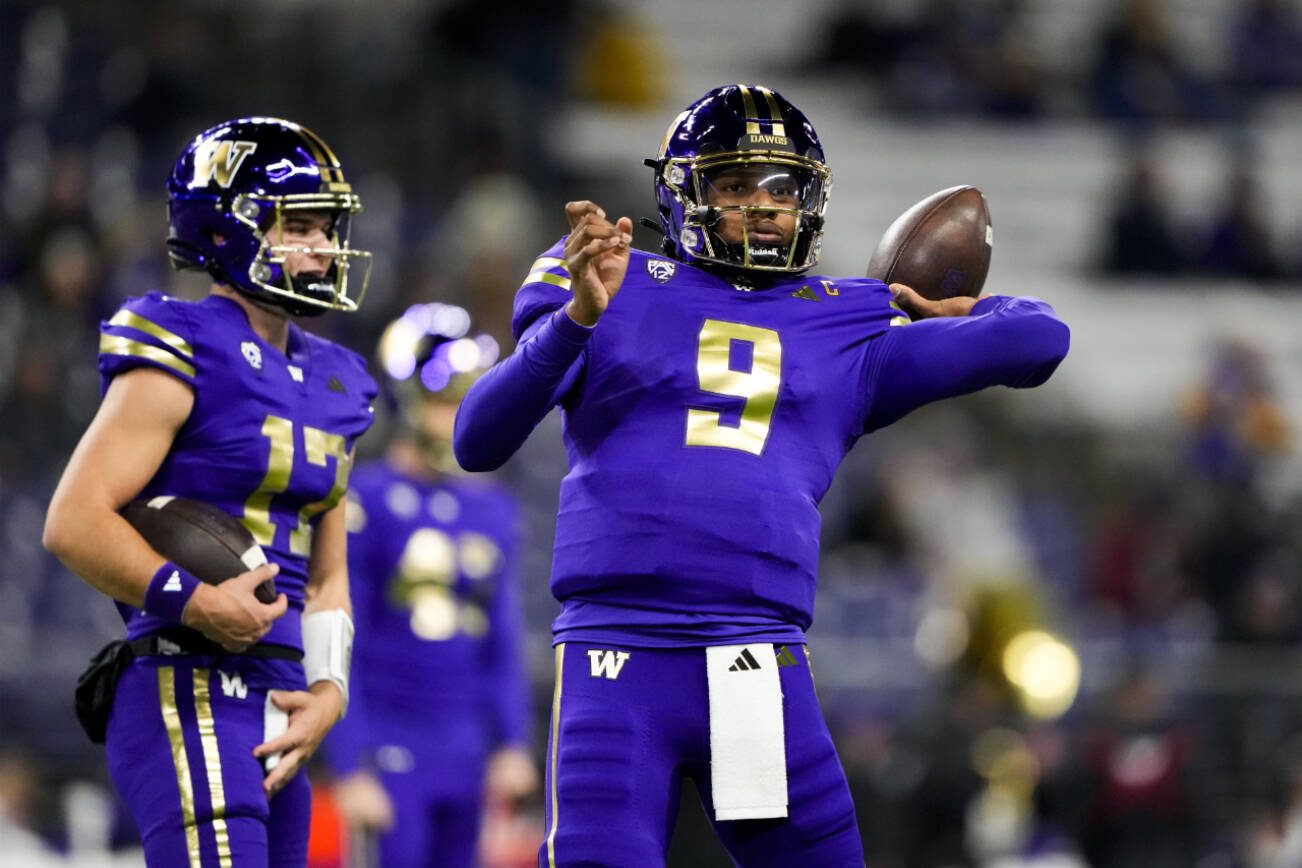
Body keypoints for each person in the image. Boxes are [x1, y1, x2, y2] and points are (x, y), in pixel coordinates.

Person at [453, 84, 1071, 866]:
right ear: (683, 194)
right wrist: (576, 319)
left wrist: (962, 311)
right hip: (618, 654)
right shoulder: (609, 276)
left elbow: (1043, 340)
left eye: (783, 188)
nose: (763, 207)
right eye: (735, 184)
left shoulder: (851, 319)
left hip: (755, 657)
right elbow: (479, 438)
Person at [43, 117, 378, 866]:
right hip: (184, 678)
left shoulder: (338, 381)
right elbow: (72, 520)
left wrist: (328, 690)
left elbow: (327, 578)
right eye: (300, 226)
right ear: (229, 230)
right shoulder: (178, 343)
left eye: (327, 228)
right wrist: (193, 601)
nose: (323, 248)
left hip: (281, 697)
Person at [323, 302, 538, 867]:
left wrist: (512, 743)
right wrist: (350, 763)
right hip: (390, 738)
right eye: (446, 400)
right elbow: (341, 638)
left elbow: (502, 638)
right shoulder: (364, 499)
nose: (455, 416)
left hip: (465, 746)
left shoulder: (493, 509)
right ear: (410, 399)